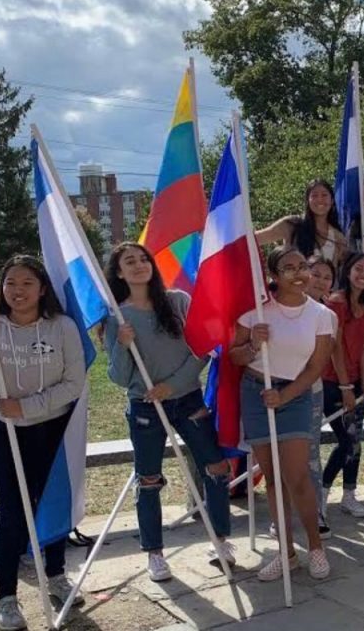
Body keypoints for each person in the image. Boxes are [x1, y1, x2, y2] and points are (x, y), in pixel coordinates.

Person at [103, 242, 233, 583]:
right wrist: (122, 345)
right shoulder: (117, 316)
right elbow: (118, 377)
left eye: (143, 259)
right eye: (129, 261)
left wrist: (172, 386)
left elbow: (203, 349)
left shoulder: (178, 301)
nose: (138, 265)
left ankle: (220, 539)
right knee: (148, 479)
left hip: (187, 399)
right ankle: (155, 554)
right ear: (119, 272)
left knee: (216, 466)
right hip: (145, 405)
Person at [0, 255, 86, 631]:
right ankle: (6, 598)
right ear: (0, 289)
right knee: (13, 510)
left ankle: (55, 575)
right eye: (10, 283)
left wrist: (26, 406)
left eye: (26, 283)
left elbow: (74, 383)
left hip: (52, 428)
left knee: (51, 500)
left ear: (42, 288)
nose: (17, 291)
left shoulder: (63, 327)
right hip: (5, 431)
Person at [231, 246, 335, 581]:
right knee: (273, 478)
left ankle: (315, 547)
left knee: (297, 476)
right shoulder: (256, 311)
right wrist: (250, 345)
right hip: (256, 392)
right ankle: (286, 553)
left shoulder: (322, 314)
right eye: (289, 268)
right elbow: (233, 357)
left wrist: (285, 394)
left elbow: (316, 366)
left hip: (295, 395)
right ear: (274, 276)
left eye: (302, 265)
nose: (299, 273)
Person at [322, 252, 364, 518]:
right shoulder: (337, 303)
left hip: (354, 383)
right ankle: (321, 493)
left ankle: (349, 495)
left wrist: (363, 386)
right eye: (359, 269)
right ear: (348, 271)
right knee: (347, 442)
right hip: (332, 382)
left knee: (355, 442)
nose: (363, 275)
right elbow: (334, 348)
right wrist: (345, 387)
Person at [305, 255, 337, 534]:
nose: (321, 280)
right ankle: (282, 514)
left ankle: (316, 513)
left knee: (310, 454)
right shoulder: (275, 307)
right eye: (316, 274)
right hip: (273, 391)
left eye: (327, 277)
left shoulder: (328, 316)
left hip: (310, 392)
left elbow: (326, 356)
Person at [256, 179, 349, 272]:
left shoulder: (338, 238)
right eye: (314, 195)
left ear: (332, 200)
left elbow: (341, 272)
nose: (320, 199)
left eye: (324, 195)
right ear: (308, 201)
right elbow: (256, 239)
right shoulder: (292, 224)